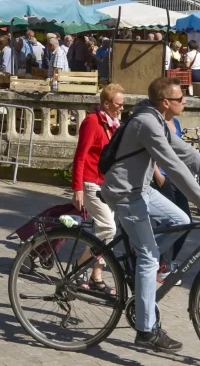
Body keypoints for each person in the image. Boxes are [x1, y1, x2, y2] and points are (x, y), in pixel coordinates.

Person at [101, 77, 200, 351]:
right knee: (150, 258)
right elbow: (172, 165)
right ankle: (146, 330)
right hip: (125, 192)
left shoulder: (158, 120)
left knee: (181, 221)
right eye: (180, 98)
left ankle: (142, 266)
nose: (185, 101)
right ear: (166, 102)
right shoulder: (147, 123)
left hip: (141, 189)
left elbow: (185, 153)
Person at [71, 83, 125, 292]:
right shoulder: (92, 122)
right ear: (106, 104)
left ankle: (96, 274)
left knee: (104, 232)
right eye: (118, 104)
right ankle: (78, 267)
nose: (122, 108)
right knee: (108, 228)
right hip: (91, 183)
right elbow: (80, 156)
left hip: (107, 184)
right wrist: (77, 188)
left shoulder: (113, 123)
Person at [151, 111, 189, 280]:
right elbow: (148, 149)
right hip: (163, 179)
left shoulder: (176, 123)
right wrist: (157, 174)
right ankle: (163, 265)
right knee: (169, 224)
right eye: (180, 98)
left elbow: (180, 152)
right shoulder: (157, 123)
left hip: (177, 178)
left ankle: (166, 261)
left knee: (187, 222)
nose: (184, 101)